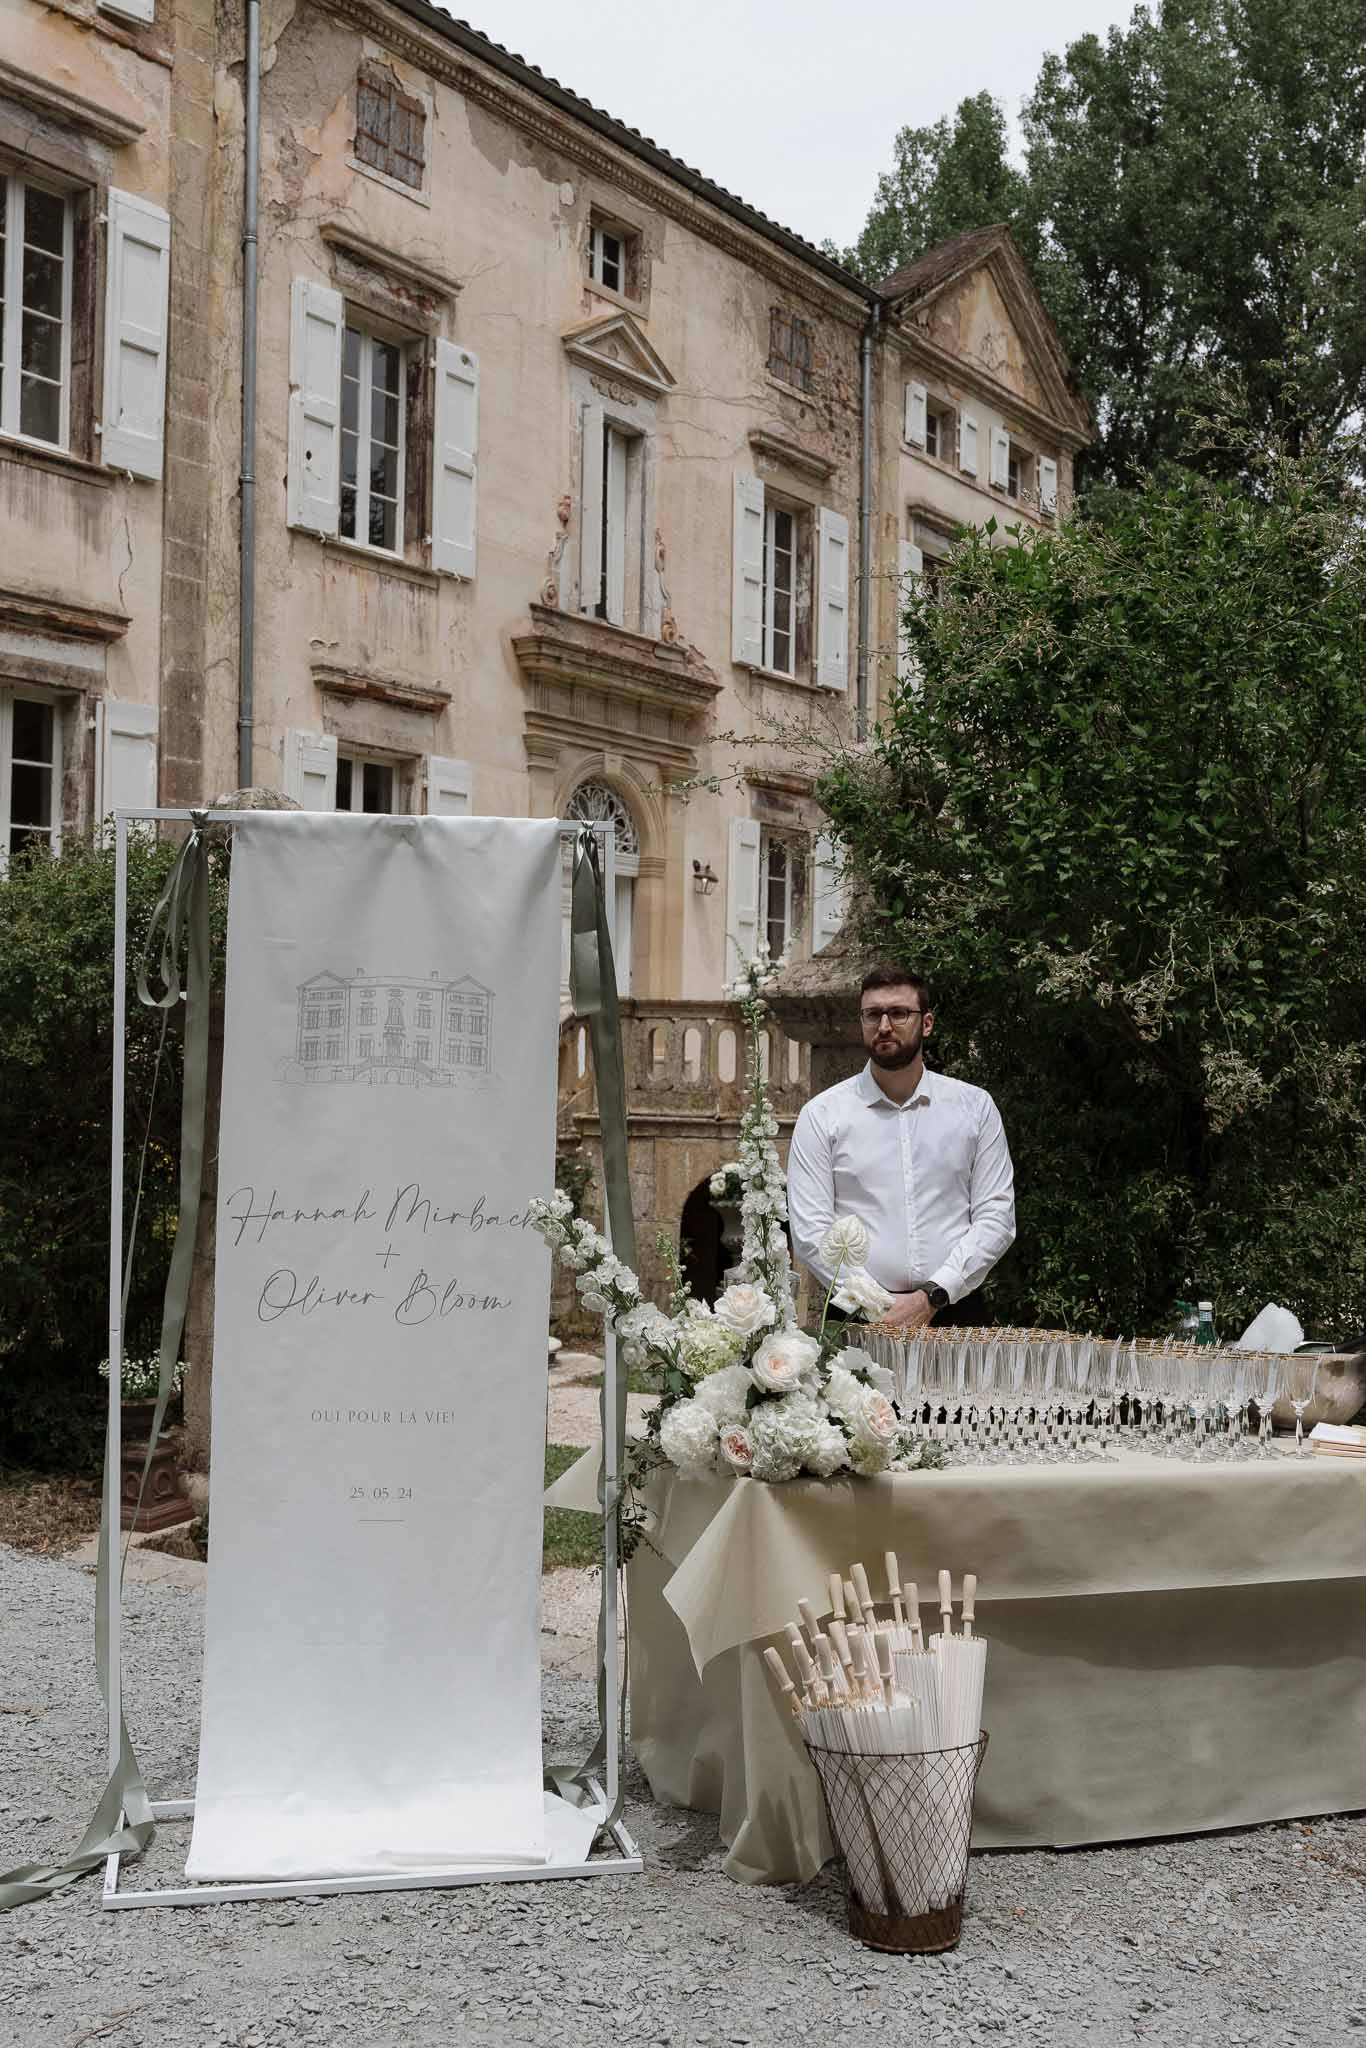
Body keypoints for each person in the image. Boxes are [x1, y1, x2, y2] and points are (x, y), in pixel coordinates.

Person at [786, 965, 1016, 1330]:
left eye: (898, 1013)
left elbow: (996, 1218)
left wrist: (934, 1295)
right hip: (856, 1315)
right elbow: (811, 1230)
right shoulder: (822, 1115)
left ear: (926, 1023)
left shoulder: (974, 1108)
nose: (884, 1026)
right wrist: (873, 1302)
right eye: (872, 1014)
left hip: (954, 1310)